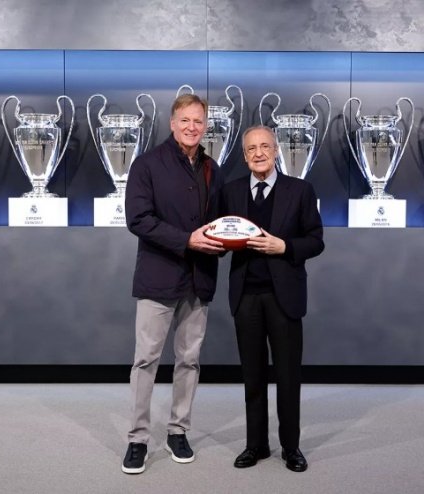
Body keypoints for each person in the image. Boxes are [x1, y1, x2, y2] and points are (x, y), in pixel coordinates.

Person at [121, 93, 225, 474]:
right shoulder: (146, 165)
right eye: (185, 120)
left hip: (199, 279)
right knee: (146, 360)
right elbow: (138, 219)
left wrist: (227, 239)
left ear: (205, 125)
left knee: (189, 361)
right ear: (172, 122)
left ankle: (177, 431)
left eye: (198, 121)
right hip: (159, 278)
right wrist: (187, 240)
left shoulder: (213, 168)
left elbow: (220, 221)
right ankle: (137, 439)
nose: (192, 127)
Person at [219, 125, 324, 472]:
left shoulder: (300, 190)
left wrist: (285, 246)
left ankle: (291, 447)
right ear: (244, 155)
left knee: (288, 376)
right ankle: (256, 445)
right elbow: (220, 236)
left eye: (265, 146)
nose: (259, 153)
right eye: (251, 148)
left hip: (285, 297)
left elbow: (316, 240)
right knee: (252, 376)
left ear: (276, 150)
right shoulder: (231, 191)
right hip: (245, 296)